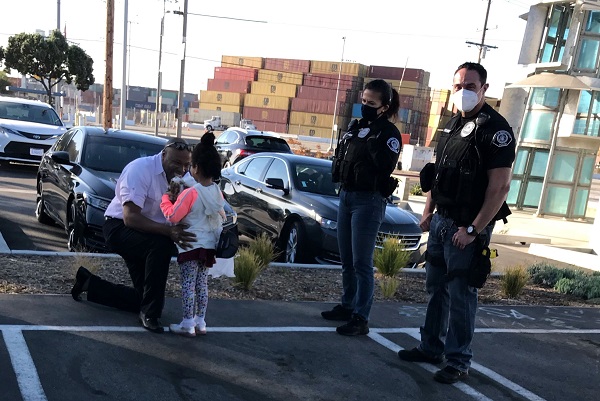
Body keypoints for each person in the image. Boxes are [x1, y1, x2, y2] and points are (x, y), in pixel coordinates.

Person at [398, 62, 515, 384]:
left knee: (461, 295)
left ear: (484, 89)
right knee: (436, 290)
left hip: (466, 228)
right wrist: (427, 211)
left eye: (470, 86)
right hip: (441, 222)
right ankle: (430, 347)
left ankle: (458, 360)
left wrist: (474, 229)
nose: (462, 92)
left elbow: (500, 187)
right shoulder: (450, 125)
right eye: (457, 86)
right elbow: (436, 175)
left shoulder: (496, 130)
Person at [71, 138, 196, 334]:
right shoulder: (140, 170)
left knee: (143, 297)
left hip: (148, 232)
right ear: (163, 155)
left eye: (186, 165)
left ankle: (88, 283)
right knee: (161, 246)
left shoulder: (182, 179)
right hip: (120, 227)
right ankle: (149, 314)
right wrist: (169, 232)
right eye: (177, 163)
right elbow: (131, 218)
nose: (182, 169)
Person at [322, 79, 402, 336]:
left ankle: (361, 317)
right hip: (347, 195)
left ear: (384, 106)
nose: (365, 106)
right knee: (346, 259)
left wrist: (372, 141)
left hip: (368, 201)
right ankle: (348, 305)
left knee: (362, 263)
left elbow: (386, 166)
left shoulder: (388, 133)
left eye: (371, 103)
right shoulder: (356, 127)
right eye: (363, 101)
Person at [159, 132, 225, 337]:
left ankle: (187, 323)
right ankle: (201, 321)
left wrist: (166, 199)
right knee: (202, 285)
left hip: (190, 245)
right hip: (208, 246)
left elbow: (173, 217)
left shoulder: (190, 193)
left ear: (195, 167)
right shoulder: (217, 192)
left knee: (188, 285)